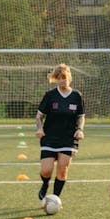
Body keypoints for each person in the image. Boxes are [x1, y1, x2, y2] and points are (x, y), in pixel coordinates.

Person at [35, 63, 85, 203]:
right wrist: (39, 128)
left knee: (62, 171)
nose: (63, 80)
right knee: (46, 170)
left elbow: (81, 116)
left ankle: (54, 198)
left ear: (70, 77)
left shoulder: (77, 96)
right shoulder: (50, 95)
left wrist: (80, 129)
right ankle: (45, 184)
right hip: (50, 137)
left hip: (68, 139)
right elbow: (39, 116)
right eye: (59, 78)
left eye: (65, 77)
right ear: (55, 79)